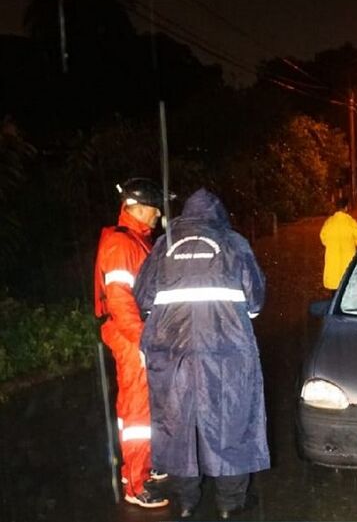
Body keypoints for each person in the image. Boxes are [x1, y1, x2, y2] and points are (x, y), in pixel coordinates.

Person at [134, 188, 269, 519]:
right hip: (226, 351)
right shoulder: (234, 242)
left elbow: (143, 297)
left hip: (171, 352)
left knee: (177, 423)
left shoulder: (164, 244)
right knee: (232, 420)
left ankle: (187, 501)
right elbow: (255, 301)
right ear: (218, 214)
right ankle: (229, 502)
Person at [93, 177, 169, 508]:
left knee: (138, 410)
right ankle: (136, 486)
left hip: (135, 334)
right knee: (138, 414)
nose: (158, 216)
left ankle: (136, 469)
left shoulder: (135, 241)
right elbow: (121, 301)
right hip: (132, 337)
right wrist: (142, 343)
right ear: (138, 207)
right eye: (155, 209)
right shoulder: (122, 245)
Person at [319, 198, 357, 291]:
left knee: (334, 290)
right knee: (346, 287)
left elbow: (323, 238)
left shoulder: (329, 222)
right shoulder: (351, 222)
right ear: (346, 208)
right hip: (347, 260)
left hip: (333, 260)